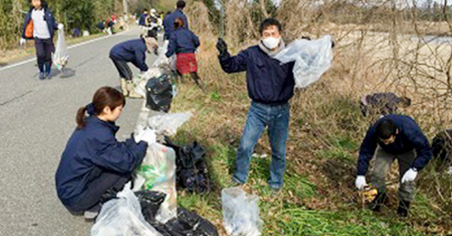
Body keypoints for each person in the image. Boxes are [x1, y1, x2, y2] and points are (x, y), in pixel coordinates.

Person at [216, 18, 295, 190]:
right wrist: (223, 54)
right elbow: (231, 66)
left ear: (280, 34)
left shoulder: (290, 54)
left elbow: (311, 64)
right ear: (261, 36)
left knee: (279, 151)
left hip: (281, 110)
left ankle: (275, 184)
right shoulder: (252, 53)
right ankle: (239, 177)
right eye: (266, 34)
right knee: (245, 145)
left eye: (273, 33)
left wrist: (317, 48)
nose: (270, 37)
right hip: (257, 109)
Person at [55, 87, 149, 220]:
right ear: (106, 109)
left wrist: (132, 143)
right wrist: (143, 144)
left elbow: (112, 150)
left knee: (120, 156)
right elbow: (127, 162)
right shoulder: (99, 134)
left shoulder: (91, 122)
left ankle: (95, 199)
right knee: (124, 170)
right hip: (75, 197)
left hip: (68, 188)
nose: (120, 113)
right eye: (119, 109)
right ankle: (97, 205)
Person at [355, 114, 432, 217]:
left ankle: (403, 208)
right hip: (385, 151)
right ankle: (378, 201)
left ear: (396, 132)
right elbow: (366, 151)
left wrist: (415, 168)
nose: (387, 143)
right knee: (377, 174)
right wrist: (360, 174)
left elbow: (426, 151)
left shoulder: (410, 130)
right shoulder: (374, 131)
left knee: (407, 181)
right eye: (384, 141)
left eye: (389, 141)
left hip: (406, 149)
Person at [22, 0, 62, 80]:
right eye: (33, 1)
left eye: (37, 1)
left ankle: (47, 71)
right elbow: (26, 24)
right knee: (40, 55)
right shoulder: (31, 13)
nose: (35, 3)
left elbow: (52, 22)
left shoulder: (46, 11)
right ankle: (41, 71)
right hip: (38, 37)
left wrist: (58, 26)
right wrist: (23, 37)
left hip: (47, 37)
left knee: (47, 56)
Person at [165, 18, 204, 91]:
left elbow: (172, 47)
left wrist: (167, 54)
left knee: (179, 72)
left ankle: (181, 88)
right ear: (183, 24)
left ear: (174, 25)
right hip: (191, 55)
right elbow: (197, 42)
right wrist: (192, 47)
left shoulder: (174, 34)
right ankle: (202, 87)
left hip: (181, 55)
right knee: (193, 72)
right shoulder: (189, 32)